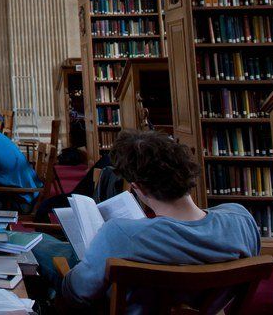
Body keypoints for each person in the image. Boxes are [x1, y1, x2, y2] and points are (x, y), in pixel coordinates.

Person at [32, 130, 260, 313]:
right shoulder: (242, 220)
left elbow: (77, 295)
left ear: (137, 188)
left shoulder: (120, 233)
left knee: (35, 247)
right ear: (188, 172)